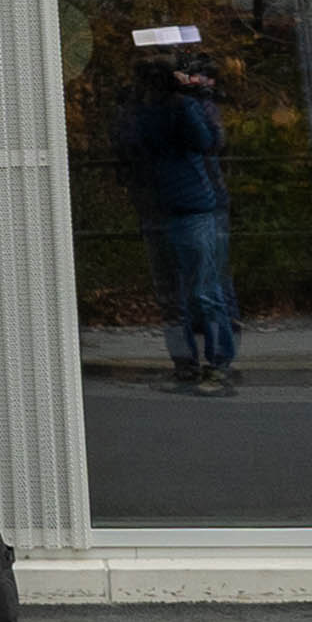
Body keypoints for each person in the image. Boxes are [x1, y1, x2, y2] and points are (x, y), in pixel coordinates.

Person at [117, 48, 239, 393]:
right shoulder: (178, 107)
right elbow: (209, 142)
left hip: (170, 206)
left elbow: (203, 142)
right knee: (199, 291)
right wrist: (186, 99)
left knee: (185, 295)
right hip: (186, 203)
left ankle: (195, 363)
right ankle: (211, 365)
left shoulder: (150, 111)